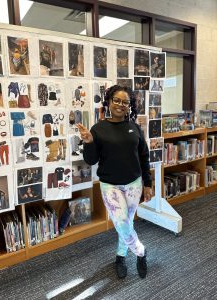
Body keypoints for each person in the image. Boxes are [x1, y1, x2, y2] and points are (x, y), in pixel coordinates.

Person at [76, 85, 152, 279]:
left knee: (125, 224)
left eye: (125, 102)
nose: (120, 105)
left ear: (130, 106)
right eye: (116, 100)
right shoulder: (98, 129)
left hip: (134, 184)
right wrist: (89, 142)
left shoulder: (134, 127)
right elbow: (91, 160)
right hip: (110, 185)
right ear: (109, 102)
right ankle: (141, 252)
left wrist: (148, 183)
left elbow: (144, 156)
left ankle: (120, 256)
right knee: (122, 222)